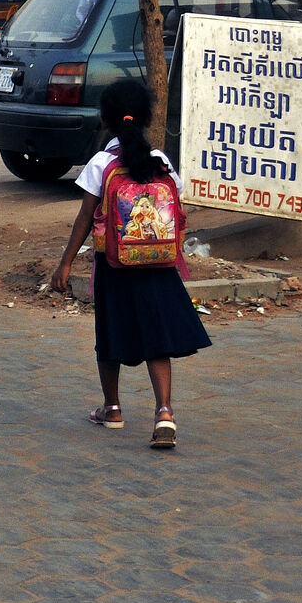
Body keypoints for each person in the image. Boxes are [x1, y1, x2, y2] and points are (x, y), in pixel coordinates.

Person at [50, 80, 208, 451]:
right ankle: (165, 411)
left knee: (110, 333)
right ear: (147, 118)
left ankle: (113, 407)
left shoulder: (101, 163)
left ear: (105, 120)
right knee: (158, 339)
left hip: (114, 265)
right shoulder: (161, 161)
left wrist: (65, 264)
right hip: (158, 264)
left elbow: (85, 217)